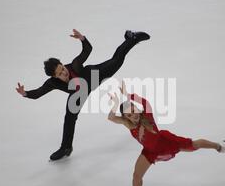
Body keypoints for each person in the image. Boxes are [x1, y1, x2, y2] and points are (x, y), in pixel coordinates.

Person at [16, 29, 150, 161]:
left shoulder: (74, 65)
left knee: (117, 60)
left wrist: (82, 39)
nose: (64, 73)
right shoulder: (53, 83)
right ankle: (66, 148)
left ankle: (132, 39)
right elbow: (39, 92)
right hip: (78, 94)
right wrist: (25, 93)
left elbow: (87, 50)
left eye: (62, 68)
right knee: (69, 117)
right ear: (54, 76)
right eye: (60, 74)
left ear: (63, 64)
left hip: (94, 76)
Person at [107, 81, 225, 186]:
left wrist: (128, 94)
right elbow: (111, 117)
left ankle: (220, 146)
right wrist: (115, 103)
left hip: (166, 142)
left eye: (133, 111)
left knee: (194, 145)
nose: (133, 115)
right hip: (150, 151)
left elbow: (145, 102)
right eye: (129, 115)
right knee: (136, 175)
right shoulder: (129, 124)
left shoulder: (146, 115)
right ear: (126, 117)